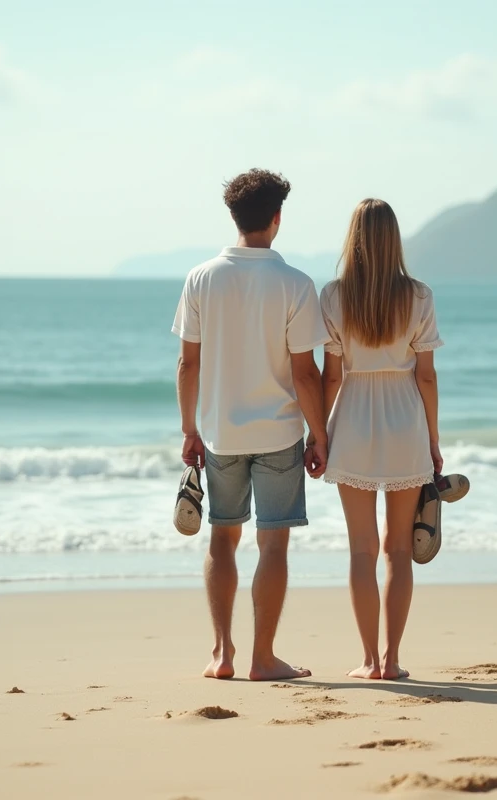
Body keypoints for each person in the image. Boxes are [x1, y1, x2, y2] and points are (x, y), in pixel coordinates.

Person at [172, 169, 331, 681]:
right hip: (280, 433)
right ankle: (263, 658)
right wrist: (320, 434)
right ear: (277, 219)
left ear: (235, 217)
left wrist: (188, 429)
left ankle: (222, 654)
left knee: (222, 540)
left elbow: (187, 364)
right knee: (273, 543)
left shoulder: (201, 277)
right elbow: (305, 373)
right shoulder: (296, 285)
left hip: (220, 433)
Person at [320, 198, 444, 680]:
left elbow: (330, 377)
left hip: (351, 419)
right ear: (395, 240)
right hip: (404, 422)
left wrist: (320, 434)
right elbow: (428, 378)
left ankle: (369, 660)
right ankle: (392, 661)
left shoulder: (333, 296)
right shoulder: (419, 297)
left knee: (361, 550)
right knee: (397, 550)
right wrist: (433, 440)